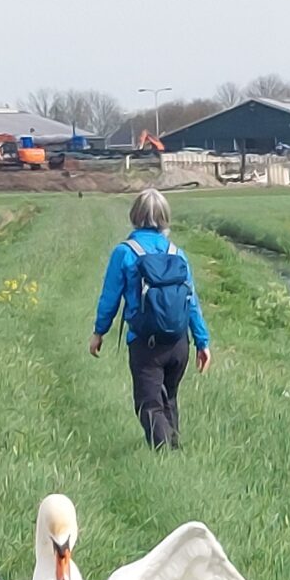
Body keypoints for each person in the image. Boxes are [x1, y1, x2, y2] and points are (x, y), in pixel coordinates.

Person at [91, 189, 210, 449]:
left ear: (135, 215)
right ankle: (175, 454)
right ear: (165, 218)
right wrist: (202, 341)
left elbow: (110, 298)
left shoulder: (125, 252)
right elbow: (192, 301)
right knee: (169, 399)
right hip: (179, 342)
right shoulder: (177, 253)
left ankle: (165, 458)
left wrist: (99, 332)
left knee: (149, 403)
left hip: (146, 343)